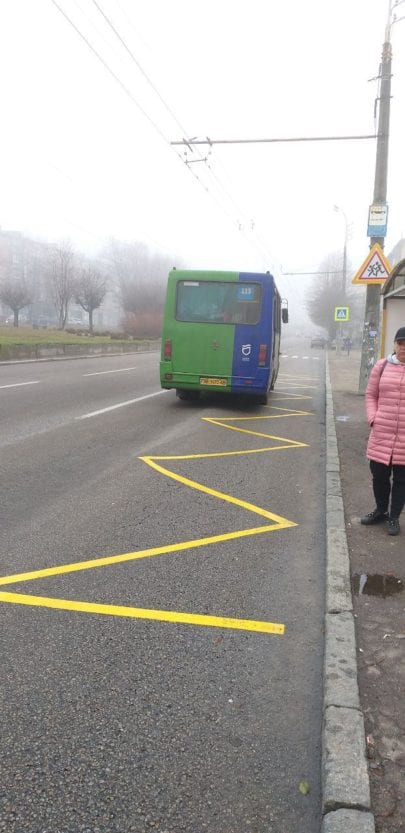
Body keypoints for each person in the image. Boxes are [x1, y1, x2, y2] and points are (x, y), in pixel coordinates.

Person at [361, 327, 405, 536]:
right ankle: (380, 510)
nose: (404, 347)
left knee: (401, 480)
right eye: (401, 343)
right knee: (379, 475)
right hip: (381, 432)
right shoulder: (382, 365)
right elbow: (371, 395)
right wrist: (373, 418)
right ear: (395, 345)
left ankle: (394, 517)